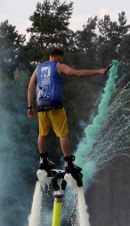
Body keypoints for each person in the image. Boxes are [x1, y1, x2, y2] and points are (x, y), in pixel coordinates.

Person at [27, 48, 108, 178]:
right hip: (55, 105)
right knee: (62, 134)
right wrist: (98, 71)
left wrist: (30, 107)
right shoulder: (58, 66)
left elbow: (31, 87)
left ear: (50, 55)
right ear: (59, 57)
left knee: (42, 134)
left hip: (41, 105)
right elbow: (78, 73)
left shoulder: (38, 68)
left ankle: (43, 162)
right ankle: (68, 164)